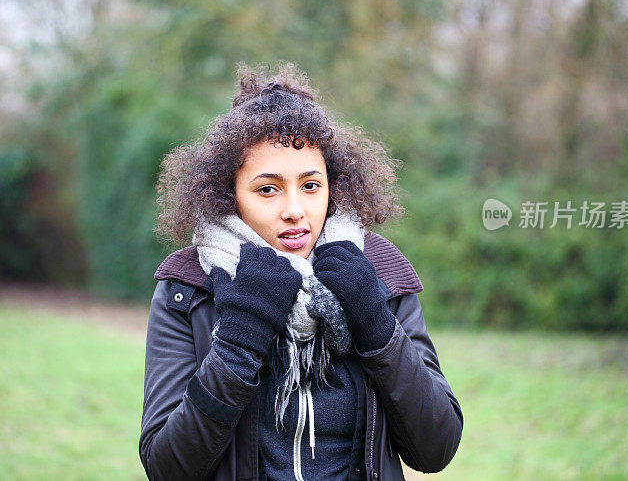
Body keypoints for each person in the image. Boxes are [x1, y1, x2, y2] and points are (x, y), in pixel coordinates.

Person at [139, 62, 463, 481]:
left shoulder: (378, 271)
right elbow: (168, 468)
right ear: (228, 195)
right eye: (268, 189)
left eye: (311, 186)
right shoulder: (187, 288)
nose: (295, 210)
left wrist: (375, 322)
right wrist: (238, 340)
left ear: (334, 186)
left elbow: (436, 448)